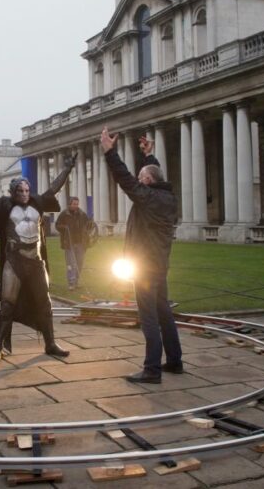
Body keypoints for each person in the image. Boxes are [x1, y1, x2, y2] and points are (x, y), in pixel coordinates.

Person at [0, 151, 74, 363]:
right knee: (7, 305)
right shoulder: (3, 205)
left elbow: (56, 186)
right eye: (21, 190)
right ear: (13, 192)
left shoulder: (37, 202)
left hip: (35, 261)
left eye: (27, 189)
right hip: (15, 261)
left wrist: (67, 168)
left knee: (45, 303)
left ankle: (50, 343)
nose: (25, 193)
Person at [100, 127, 181, 384]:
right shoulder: (167, 196)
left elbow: (124, 178)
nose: (137, 179)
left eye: (141, 176)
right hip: (159, 264)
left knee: (149, 317)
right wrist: (149, 157)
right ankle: (175, 361)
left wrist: (110, 152)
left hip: (145, 266)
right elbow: (153, 176)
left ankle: (152, 370)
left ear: (146, 182)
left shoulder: (147, 198)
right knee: (164, 312)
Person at [55, 197, 93, 291]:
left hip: (81, 243)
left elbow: (88, 225)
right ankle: (71, 283)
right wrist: (64, 228)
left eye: (77, 204)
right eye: (74, 204)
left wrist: (91, 224)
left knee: (79, 263)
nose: (76, 206)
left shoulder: (82, 214)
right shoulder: (64, 214)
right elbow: (57, 225)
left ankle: (76, 282)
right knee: (71, 264)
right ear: (70, 204)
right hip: (69, 243)